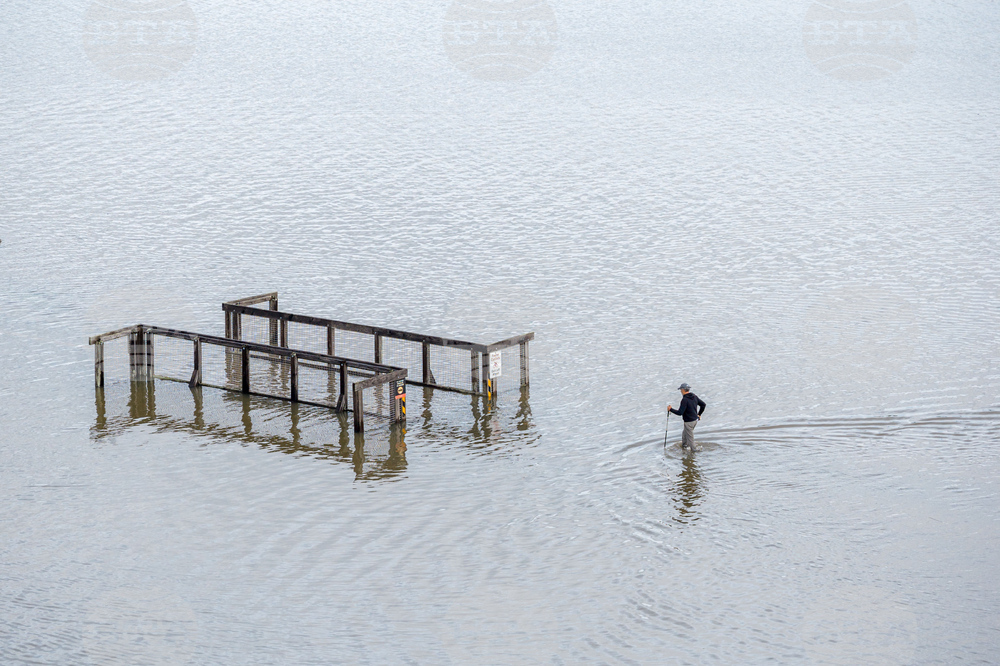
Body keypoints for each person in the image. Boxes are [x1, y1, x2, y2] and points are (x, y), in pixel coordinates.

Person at [668, 383, 706, 451]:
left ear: (683, 390)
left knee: (690, 440)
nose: (680, 391)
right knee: (684, 436)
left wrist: (670, 409)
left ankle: (695, 452)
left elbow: (680, 413)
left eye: (680, 390)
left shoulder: (684, 400)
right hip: (695, 420)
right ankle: (684, 447)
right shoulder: (694, 396)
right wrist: (699, 414)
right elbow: (703, 405)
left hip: (688, 422)